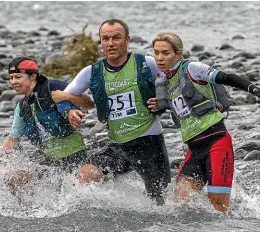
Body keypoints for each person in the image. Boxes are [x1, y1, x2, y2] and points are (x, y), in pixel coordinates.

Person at [148, 32, 260, 213]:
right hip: (194, 149)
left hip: (217, 143)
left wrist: (255, 89)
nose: (160, 58)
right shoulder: (164, 82)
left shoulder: (192, 68)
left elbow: (228, 77)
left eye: (166, 53)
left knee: (218, 209)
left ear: (178, 53)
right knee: (178, 207)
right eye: (156, 53)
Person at [52, 19, 171, 205]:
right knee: (84, 175)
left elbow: (174, 81)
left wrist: (164, 101)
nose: (111, 43)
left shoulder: (146, 63)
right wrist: (69, 111)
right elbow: (63, 96)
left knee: (162, 203)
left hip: (150, 145)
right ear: (101, 41)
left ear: (127, 40)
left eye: (116, 38)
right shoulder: (92, 72)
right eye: (105, 38)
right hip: (118, 147)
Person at [0, 57, 95, 192]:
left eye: (18, 77)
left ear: (33, 76)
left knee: (85, 176)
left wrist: (69, 102)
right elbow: (12, 141)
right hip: (49, 165)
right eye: (11, 78)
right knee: (13, 178)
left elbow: (89, 104)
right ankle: (29, 211)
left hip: (75, 159)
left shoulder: (54, 87)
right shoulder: (22, 107)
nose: (14, 82)